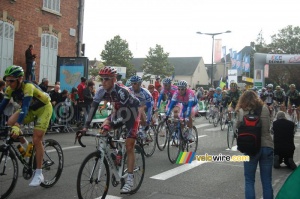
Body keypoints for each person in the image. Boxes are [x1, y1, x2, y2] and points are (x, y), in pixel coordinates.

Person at [81, 66, 140, 193]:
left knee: (129, 145)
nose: (103, 82)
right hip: (118, 111)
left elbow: (124, 117)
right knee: (103, 130)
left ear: (114, 79)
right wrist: (85, 127)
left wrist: (111, 124)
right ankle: (115, 154)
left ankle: (129, 179)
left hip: (132, 114)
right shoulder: (101, 91)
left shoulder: (122, 91)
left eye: (106, 79)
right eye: (102, 79)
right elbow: (93, 109)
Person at [0, 65, 52, 186]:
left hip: (44, 108)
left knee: (36, 138)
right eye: (6, 80)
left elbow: (25, 106)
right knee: (10, 123)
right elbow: (2, 106)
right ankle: (27, 148)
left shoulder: (28, 86)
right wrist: (15, 125)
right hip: (31, 110)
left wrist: (18, 125)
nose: (8, 83)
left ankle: (39, 173)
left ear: (20, 79)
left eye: (11, 80)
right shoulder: (9, 89)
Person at [235, 90, 274, 199]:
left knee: (249, 180)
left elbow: (235, 128)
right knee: (267, 181)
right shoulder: (265, 108)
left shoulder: (242, 111)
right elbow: (268, 127)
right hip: (266, 146)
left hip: (250, 148)